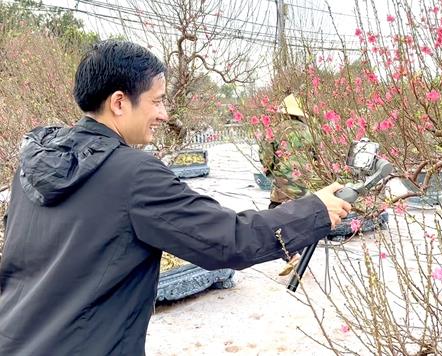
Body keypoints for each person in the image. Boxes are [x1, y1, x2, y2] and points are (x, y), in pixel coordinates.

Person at [0, 40, 351, 356]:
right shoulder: (132, 174)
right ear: (119, 102)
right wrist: (315, 211)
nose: (164, 114)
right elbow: (229, 239)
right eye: (157, 100)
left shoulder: (35, 164)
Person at [259, 93, 319, 276]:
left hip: (283, 185)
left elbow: (266, 158)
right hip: (306, 183)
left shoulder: (274, 131)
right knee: (303, 219)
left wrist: (271, 172)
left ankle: (292, 254)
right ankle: (300, 254)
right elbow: (318, 158)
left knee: (274, 218)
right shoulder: (311, 131)